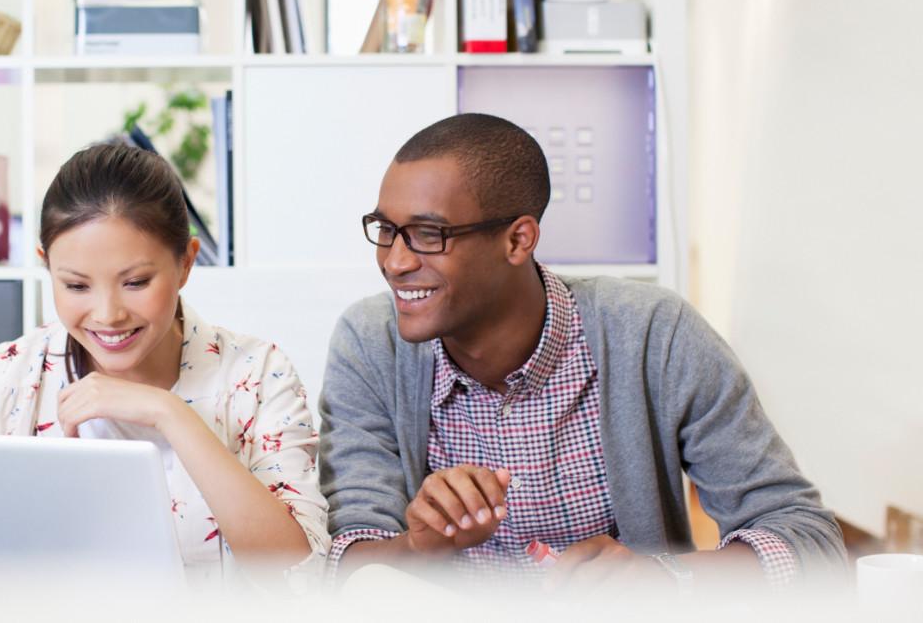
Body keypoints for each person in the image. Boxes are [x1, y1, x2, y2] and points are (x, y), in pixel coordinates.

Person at [319, 114, 845, 593]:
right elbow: (346, 561)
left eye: (428, 234)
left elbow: (808, 539)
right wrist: (419, 545)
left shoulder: (653, 334)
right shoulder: (370, 345)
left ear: (518, 240)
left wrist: (658, 577)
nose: (394, 261)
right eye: (386, 230)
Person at [0, 144, 329, 583]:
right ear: (47, 267)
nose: (107, 314)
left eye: (136, 282)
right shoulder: (7, 374)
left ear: (186, 263)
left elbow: (299, 577)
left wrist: (169, 413)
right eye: (76, 285)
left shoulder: (256, 374)